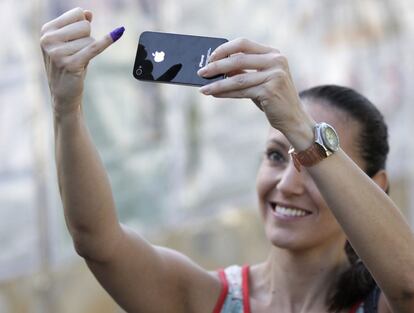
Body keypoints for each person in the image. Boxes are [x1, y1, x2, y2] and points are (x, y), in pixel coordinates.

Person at [40, 7, 414, 313]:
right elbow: (97, 241)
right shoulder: (207, 299)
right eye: (275, 156)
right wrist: (66, 109)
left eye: (313, 163)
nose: (287, 184)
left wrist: (302, 128)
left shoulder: (382, 302)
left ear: (376, 186)